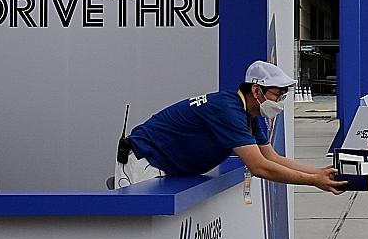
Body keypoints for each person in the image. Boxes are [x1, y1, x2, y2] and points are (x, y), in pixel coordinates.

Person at [113, 61, 345, 191]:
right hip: (144, 160)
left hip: (166, 165)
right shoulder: (228, 110)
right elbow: (259, 167)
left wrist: (318, 172)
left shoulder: (250, 114)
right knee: (140, 230)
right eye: (278, 94)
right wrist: (314, 182)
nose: (280, 101)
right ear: (257, 90)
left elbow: (271, 157)